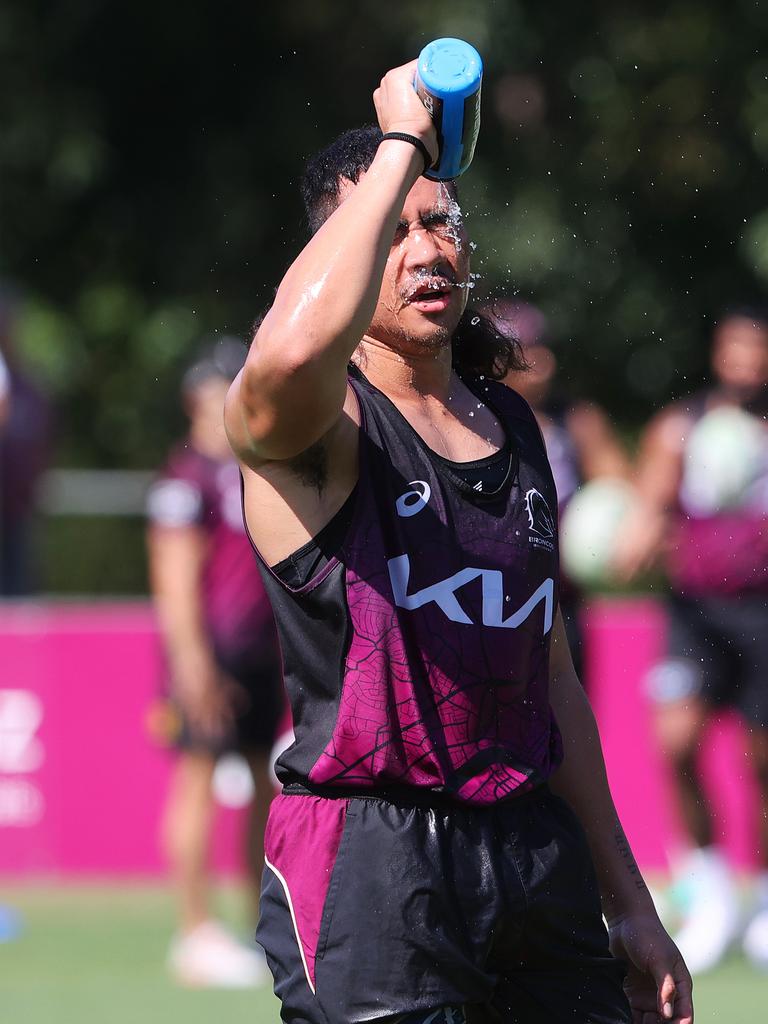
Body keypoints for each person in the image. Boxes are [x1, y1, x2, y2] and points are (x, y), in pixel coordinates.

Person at [225, 61, 692, 1023]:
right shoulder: (317, 429)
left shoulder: (515, 428)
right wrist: (401, 142)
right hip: (372, 863)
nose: (427, 249)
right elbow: (282, 355)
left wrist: (630, 903)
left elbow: (549, 676)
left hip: (531, 851)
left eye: (440, 222)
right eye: (392, 231)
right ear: (340, 256)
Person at [616, 306, 768, 974]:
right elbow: (648, 510)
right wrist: (637, 538)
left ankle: (761, 900)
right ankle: (709, 894)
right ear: (718, 352)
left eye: (756, 348)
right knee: (675, 742)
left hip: (764, 612)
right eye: (734, 346)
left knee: (765, 765)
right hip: (695, 612)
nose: (745, 359)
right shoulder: (683, 427)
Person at [146, 338, 284, 988]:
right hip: (209, 653)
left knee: (263, 782)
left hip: (261, 653)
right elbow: (174, 583)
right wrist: (193, 665)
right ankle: (193, 930)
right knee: (199, 778)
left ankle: (260, 923)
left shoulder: (254, 466)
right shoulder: (185, 479)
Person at [490, 300, 630, 676]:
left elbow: (619, 489)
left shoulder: (577, 420)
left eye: (546, 349)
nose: (545, 363)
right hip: (486, 596)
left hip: (558, 602)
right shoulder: (466, 418)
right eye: (530, 351)